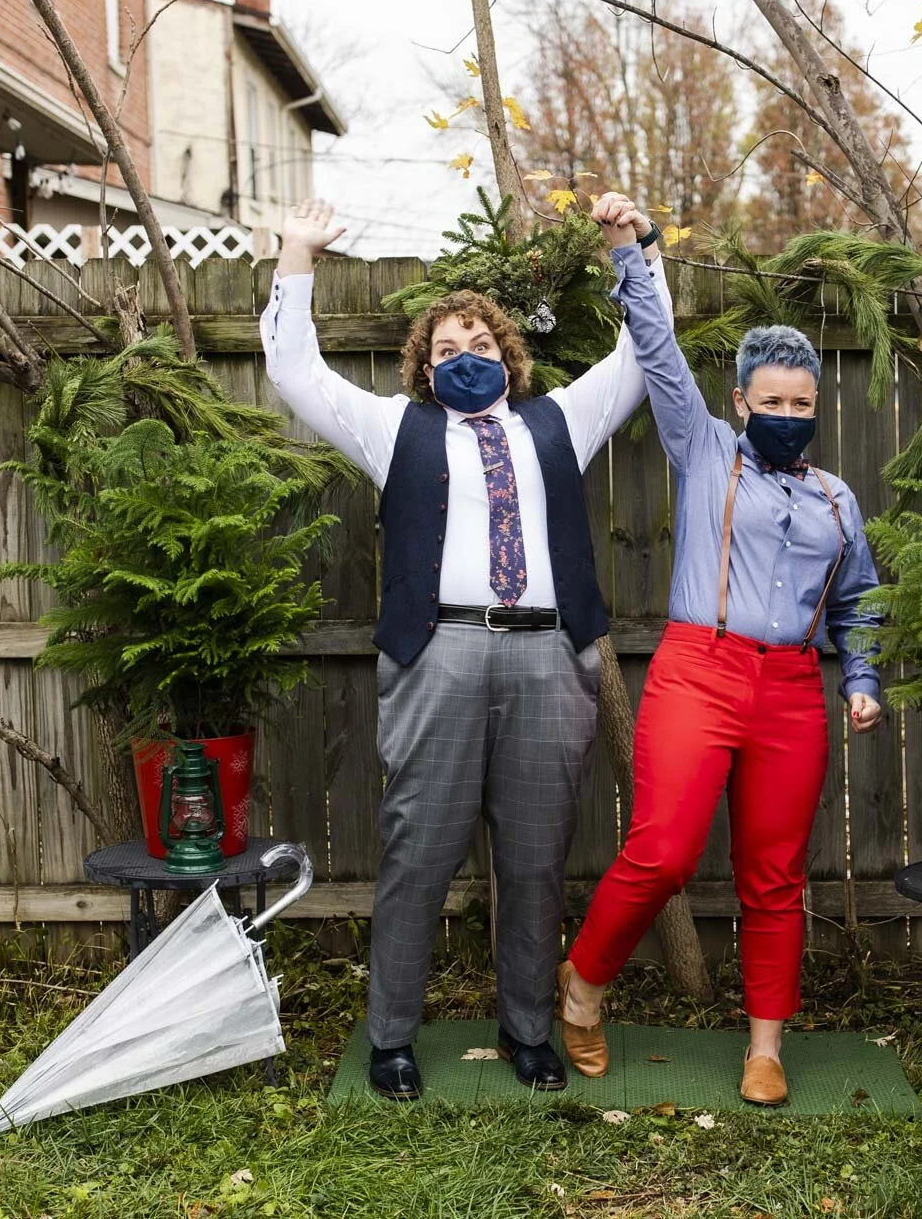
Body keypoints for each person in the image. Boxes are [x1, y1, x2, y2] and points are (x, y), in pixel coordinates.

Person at [260, 194, 669, 1100]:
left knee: (534, 858)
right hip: (436, 655)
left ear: (509, 357)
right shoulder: (392, 428)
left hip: (547, 660)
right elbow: (295, 372)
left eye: (480, 346)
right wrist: (296, 254)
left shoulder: (564, 418)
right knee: (419, 851)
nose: (465, 358)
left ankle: (529, 1030)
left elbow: (644, 353)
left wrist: (632, 251)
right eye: (446, 350)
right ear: (424, 367)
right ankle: (392, 1036)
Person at [557, 194, 885, 1108]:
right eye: (770, 400)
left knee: (775, 876)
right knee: (661, 851)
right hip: (699, 669)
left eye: (801, 402)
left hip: (789, 688)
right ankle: (582, 986)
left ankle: (766, 1046)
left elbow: (860, 600)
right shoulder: (704, 449)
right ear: (741, 401)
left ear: (817, 405)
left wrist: (859, 676)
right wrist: (633, 247)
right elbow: (658, 351)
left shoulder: (836, 498)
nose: (787, 412)